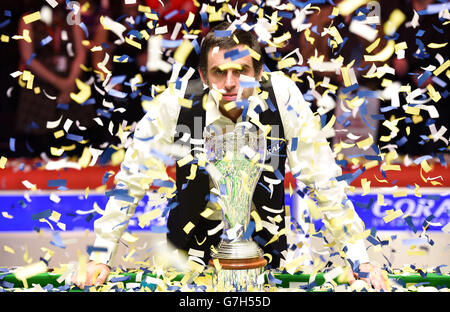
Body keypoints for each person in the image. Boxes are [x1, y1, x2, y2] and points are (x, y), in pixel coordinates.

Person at [73, 21, 388, 291]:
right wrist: (100, 256)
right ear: (203, 75)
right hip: (188, 268)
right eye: (219, 72)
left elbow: (324, 181)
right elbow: (132, 180)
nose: (230, 83)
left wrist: (359, 260)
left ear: (260, 70)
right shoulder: (178, 100)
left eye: (241, 71)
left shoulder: (282, 94)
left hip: (265, 267)